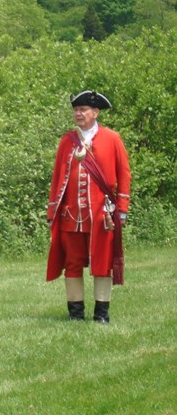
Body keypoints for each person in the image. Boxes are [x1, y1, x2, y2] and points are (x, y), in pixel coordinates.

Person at [46, 91, 131, 324]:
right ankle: (75, 314)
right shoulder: (67, 141)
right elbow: (57, 178)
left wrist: (121, 208)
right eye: (76, 110)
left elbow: (124, 175)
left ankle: (101, 315)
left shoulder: (112, 138)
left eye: (83, 110)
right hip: (72, 216)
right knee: (72, 264)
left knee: (103, 265)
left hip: (102, 215)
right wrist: (53, 210)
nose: (78, 113)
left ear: (95, 113)